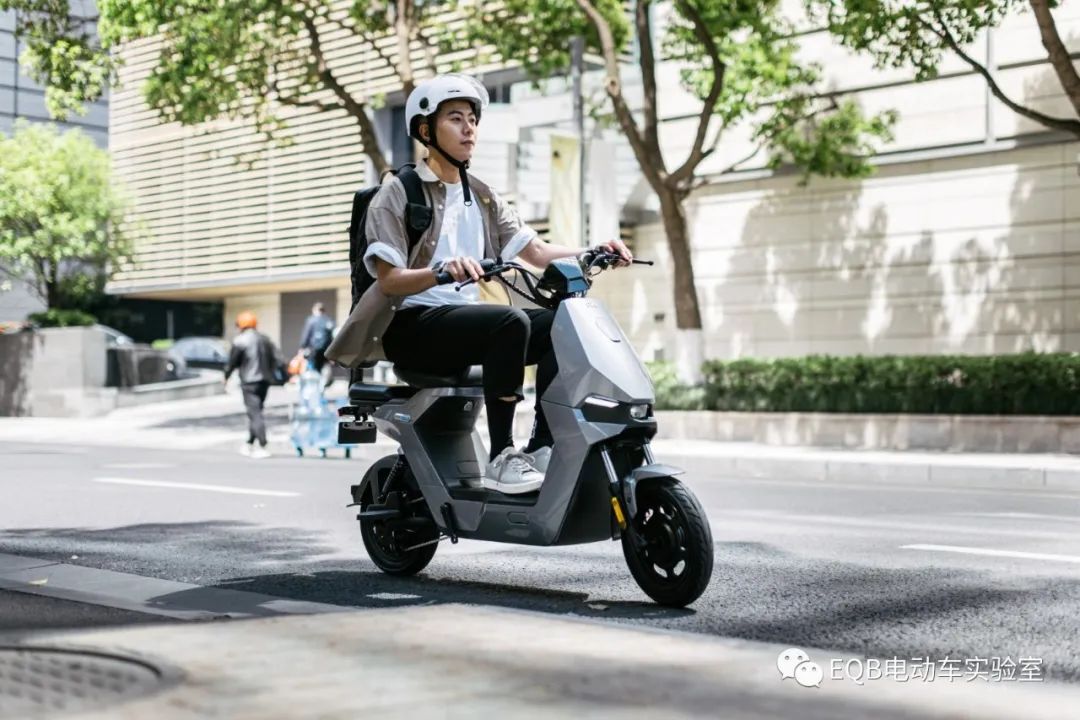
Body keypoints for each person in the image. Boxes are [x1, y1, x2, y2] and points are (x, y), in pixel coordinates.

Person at [326, 73, 632, 494]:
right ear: (425, 129)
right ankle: (502, 455)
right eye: (455, 118)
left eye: (472, 118)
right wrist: (442, 270)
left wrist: (594, 250)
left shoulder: (484, 196)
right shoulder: (396, 193)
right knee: (510, 323)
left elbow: (537, 254)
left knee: (563, 323)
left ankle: (540, 445)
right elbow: (389, 280)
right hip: (411, 326)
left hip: (463, 327)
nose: (469, 127)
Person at [224, 311, 285, 459]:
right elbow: (278, 360)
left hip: (249, 382)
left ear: (241, 325)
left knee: (255, 413)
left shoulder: (240, 341)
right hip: (264, 381)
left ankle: (263, 445)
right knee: (256, 411)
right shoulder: (265, 339)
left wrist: (226, 376)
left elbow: (232, 362)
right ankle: (249, 443)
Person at [299, 301, 336, 384]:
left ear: (315, 310)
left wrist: (302, 347)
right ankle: (323, 384)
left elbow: (306, 335)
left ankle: (315, 386)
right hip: (326, 350)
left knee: (313, 369)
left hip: (314, 350)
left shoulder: (311, 320)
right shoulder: (329, 321)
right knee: (325, 368)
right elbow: (333, 337)